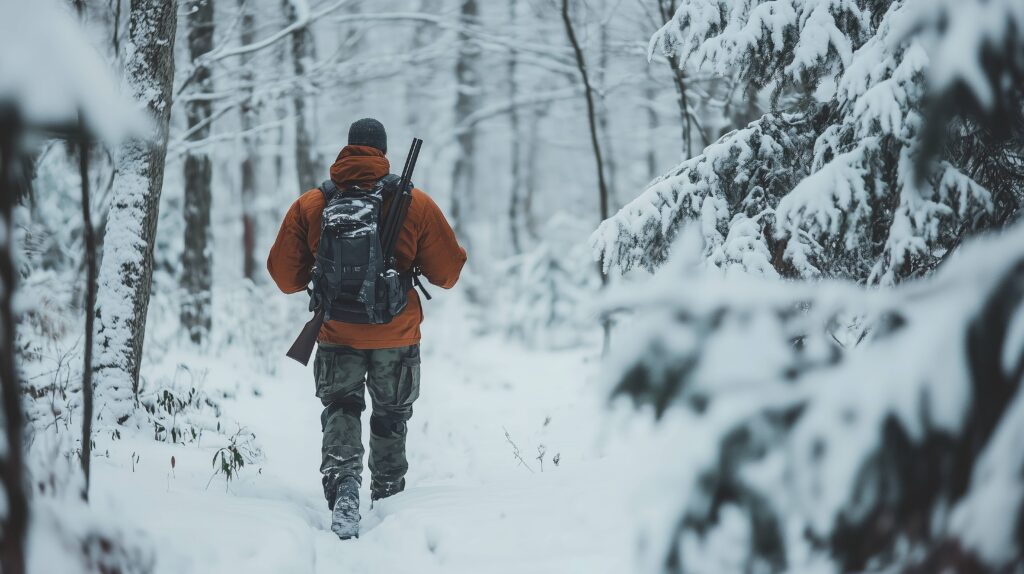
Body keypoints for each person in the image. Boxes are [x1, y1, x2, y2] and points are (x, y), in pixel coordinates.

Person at [267, 118, 467, 539]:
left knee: (341, 408)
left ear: (348, 148)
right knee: (391, 415)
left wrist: (324, 280)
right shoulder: (416, 203)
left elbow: (284, 277)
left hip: (337, 332)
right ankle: (390, 495)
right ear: (383, 151)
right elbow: (448, 274)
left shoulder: (312, 203)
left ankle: (344, 488)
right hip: (397, 334)